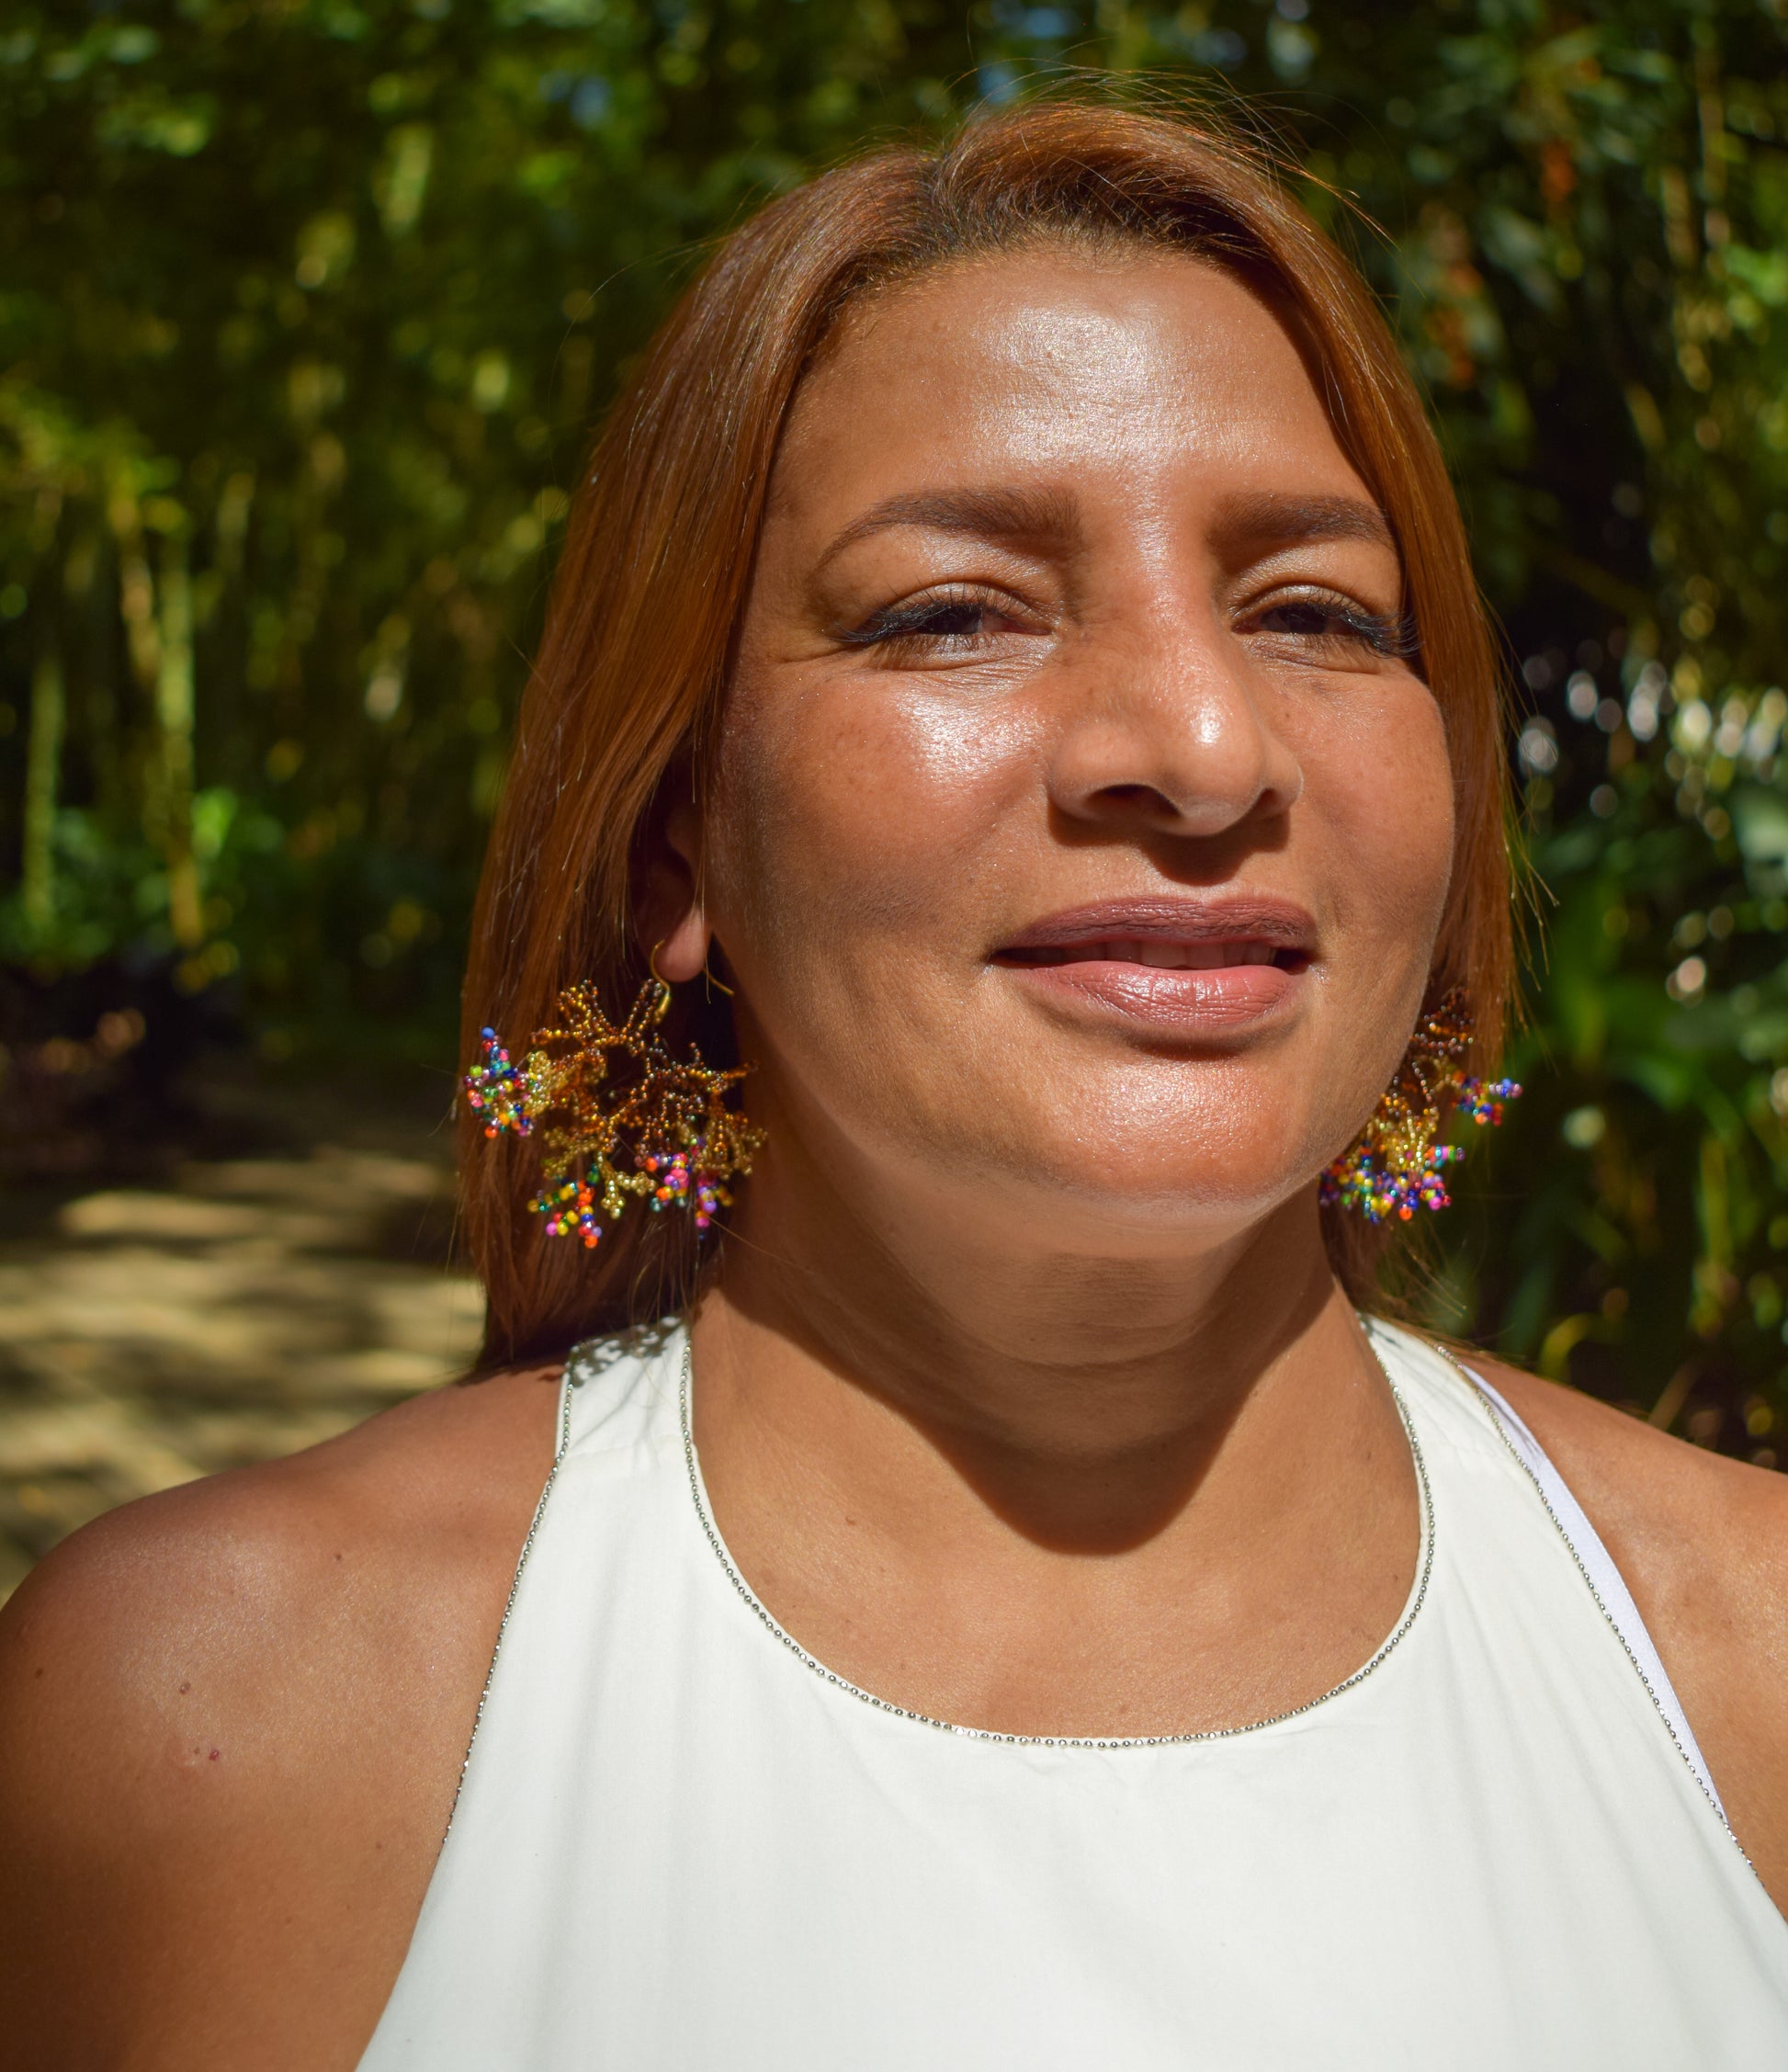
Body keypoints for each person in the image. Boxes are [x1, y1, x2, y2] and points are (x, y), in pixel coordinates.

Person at [3, 101, 1786, 2072]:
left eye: (1313, 611)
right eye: (952, 611)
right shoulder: (216, 1718)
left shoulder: (1752, 1674)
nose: (1201, 745)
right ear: (678, 840)